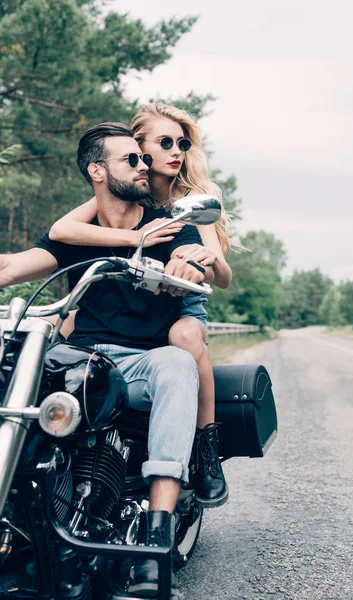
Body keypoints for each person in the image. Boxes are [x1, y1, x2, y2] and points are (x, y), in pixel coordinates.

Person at [0, 122, 214, 599]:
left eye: (144, 159)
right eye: (130, 160)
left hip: (146, 361)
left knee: (177, 365)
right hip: (85, 355)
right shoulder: (80, 234)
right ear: (98, 171)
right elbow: (12, 266)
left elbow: (196, 260)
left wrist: (187, 264)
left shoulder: (165, 225)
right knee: (16, 366)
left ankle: (155, 540)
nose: (144, 166)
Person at [48, 103, 232, 509]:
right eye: (165, 142)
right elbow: (61, 231)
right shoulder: (127, 186)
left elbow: (221, 274)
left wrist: (202, 260)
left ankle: (205, 446)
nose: (176, 151)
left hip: (184, 300)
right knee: (64, 325)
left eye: (182, 143)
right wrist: (135, 239)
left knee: (182, 337)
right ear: (139, 149)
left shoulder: (190, 202)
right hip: (132, 290)